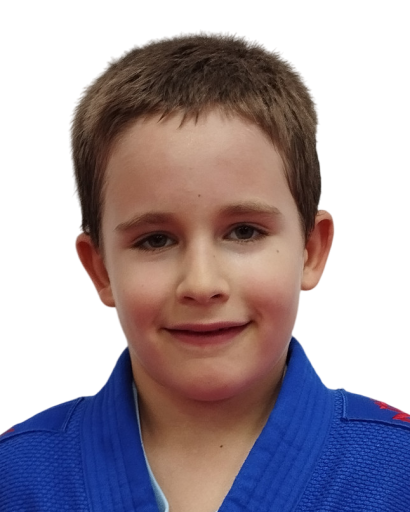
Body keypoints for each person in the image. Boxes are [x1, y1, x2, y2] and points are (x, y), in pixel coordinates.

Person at [1, 32, 409, 512]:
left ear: (311, 250)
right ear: (100, 269)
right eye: (155, 240)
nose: (201, 284)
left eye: (244, 232)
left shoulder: (399, 467)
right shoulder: (15, 474)